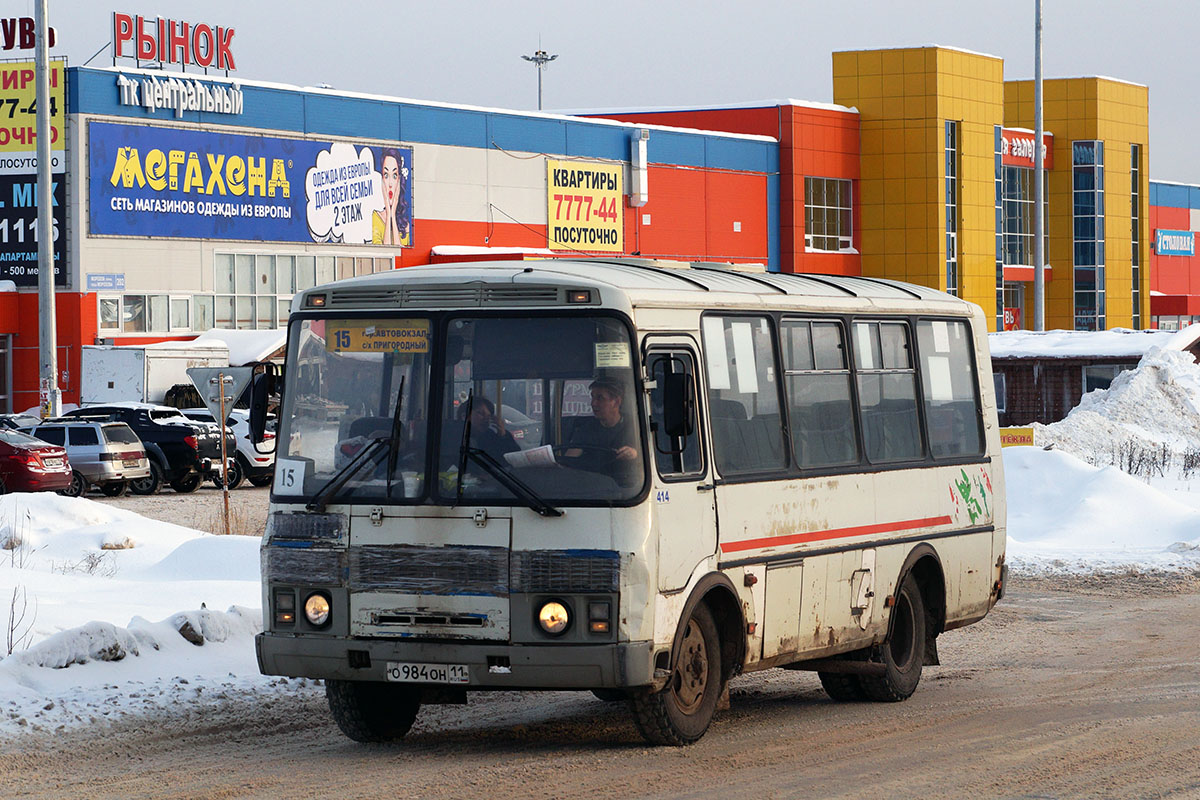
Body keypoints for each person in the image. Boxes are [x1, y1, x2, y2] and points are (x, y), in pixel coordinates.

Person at [562, 378, 639, 482]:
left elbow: (646, 457)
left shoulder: (634, 425)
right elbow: (570, 459)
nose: (593, 403)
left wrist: (634, 453)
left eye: (600, 398)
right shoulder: (586, 428)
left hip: (625, 488)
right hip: (593, 485)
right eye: (593, 397)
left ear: (616, 402)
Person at [372, 148, 411, 246]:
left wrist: (392, 215)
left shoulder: (405, 225)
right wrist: (389, 213)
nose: (390, 184)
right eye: (386, 175)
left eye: (394, 176)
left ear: (399, 180)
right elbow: (386, 254)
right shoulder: (375, 218)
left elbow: (399, 255)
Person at [464, 397, 519, 461]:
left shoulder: (488, 436)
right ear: (465, 415)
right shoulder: (454, 437)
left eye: (488, 416)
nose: (486, 419)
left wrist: (503, 436)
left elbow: (513, 459)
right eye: (481, 413)